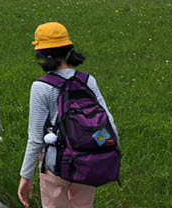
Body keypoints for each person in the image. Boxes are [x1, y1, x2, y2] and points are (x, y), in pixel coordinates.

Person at [18, 22, 119, 208]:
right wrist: (110, 152)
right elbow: (108, 120)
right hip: (87, 159)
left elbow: (35, 139)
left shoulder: (41, 87)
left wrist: (26, 175)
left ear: (42, 53)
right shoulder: (87, 80)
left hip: (55, 163)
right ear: (67, 49)